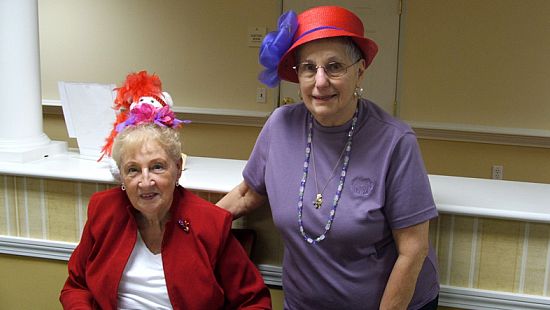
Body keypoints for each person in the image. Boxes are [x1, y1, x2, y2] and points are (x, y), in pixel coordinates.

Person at [217, 6, 439, 310]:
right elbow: (246, 193)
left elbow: (413, 250)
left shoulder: (395, 141)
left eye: (334, 66)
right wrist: (189, 229)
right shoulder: (280, 125)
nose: (320, 81)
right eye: (309, 68)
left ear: (359, 71)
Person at [60, 72, 271, 309]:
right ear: (121, 176)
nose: (146, 181)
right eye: (133, 170)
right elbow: (76, 286)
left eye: (157, 167)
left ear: (178, 169)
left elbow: (254, 302)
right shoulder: (104, 211)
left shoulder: (210, 223)